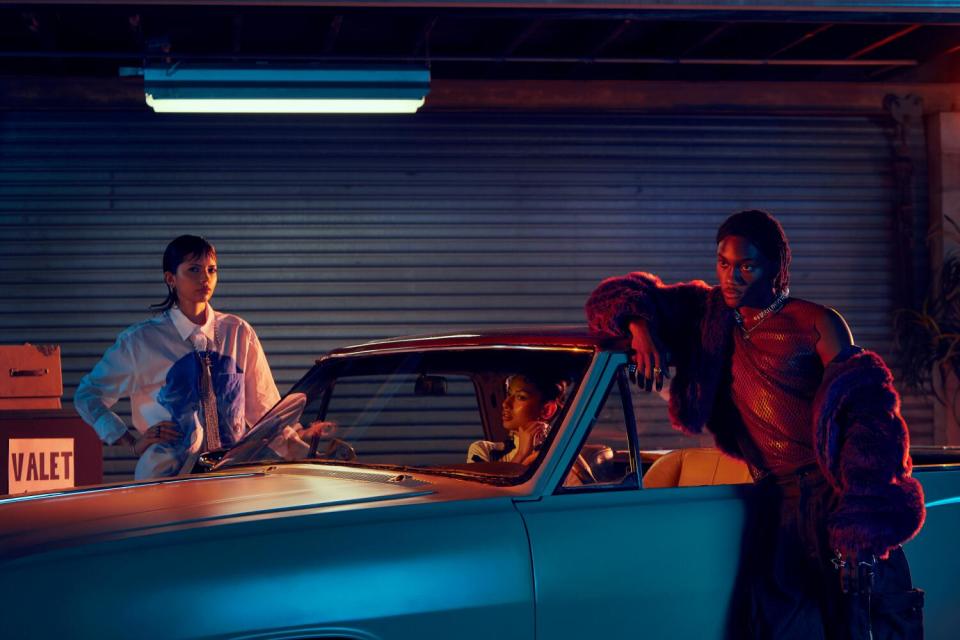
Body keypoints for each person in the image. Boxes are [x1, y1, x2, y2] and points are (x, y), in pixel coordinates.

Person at [585, 209, 925, 638]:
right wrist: (639, 328)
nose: (732, 277)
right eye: (724, 264)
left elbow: (869, 417)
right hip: (773, 499)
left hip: (830, 493)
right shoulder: (708, 315)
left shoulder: (815, 322)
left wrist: (863, 514)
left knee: (862, 622)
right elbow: (617, 293)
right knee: (779, 626)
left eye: (747, 266)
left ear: (776, 268)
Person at [74, 235, 280, 480]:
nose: (205, 278)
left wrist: (306, 445)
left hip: (228, 479)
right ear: (171, 278)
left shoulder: (238, 333)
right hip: (164, 480)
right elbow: (88, 395)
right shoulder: (141, 341)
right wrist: (132, 443)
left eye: (211, 270)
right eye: (193, 269)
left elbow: (266, 412)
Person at [467, 372, 566, 465]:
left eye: (521, 397)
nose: (505, 403)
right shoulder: (484, 450)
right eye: (509, 394)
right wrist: (522, 454)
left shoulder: (564, 454)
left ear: (547, 410)